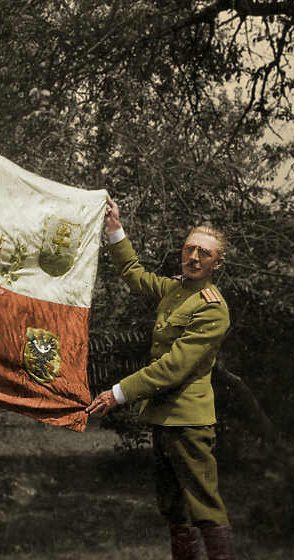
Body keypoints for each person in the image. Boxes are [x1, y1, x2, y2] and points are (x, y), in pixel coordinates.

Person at [86, 198, 234, 560]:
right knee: (173, 507)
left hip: (190, 423)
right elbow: (133, 274)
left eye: (204, 253)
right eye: (189, 249)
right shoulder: (175, 289)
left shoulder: (212, 307)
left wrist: (117, 393)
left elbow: (172, 367)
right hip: (163, 420)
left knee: (205, 508)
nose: (194, 257)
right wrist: (114, 227)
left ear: (218, 262)